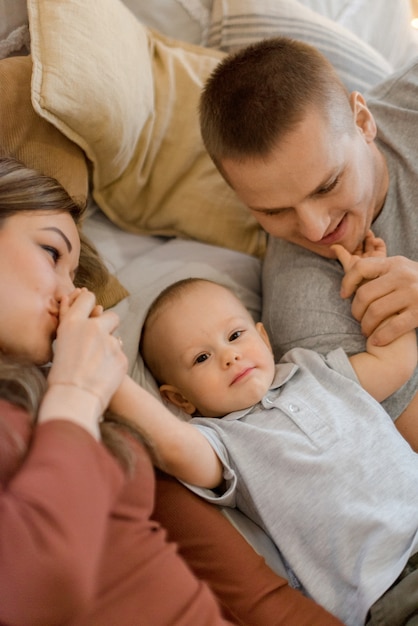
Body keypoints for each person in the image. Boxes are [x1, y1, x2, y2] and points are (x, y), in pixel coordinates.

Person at [0, 155, 343, 626]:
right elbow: (29, 587)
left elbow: (257, 595)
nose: (72, 296)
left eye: (75, 276)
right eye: (52, 253)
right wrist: (76, 389)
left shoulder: (69, 407)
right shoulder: (68, 400)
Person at [130, 237, 418, 626]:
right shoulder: (222, 442)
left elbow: (393, 362)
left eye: (235, 336)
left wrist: (375, 284)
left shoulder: (315, 370)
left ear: (263, 339)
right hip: (383, 588)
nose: (229, 356)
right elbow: (172, 446)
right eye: (201, 358)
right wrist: (111, 382)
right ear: (179, 399)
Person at [198, 35, 418, 445]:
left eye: (327, 185)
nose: (316, 230)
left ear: (363, 122)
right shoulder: (307, 314)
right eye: (274, 211)